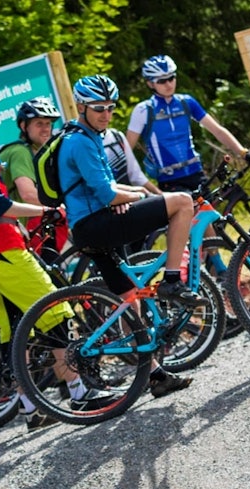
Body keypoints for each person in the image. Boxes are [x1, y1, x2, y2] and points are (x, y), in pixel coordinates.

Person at [0, 84, 116, 426]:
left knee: (14, 330)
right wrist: (48, 211)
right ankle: (78, 391)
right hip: (2, 246)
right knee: (55, 309)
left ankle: (29, 407)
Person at [59, 74, 196, 399]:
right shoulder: (80, 141)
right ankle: (173, 279)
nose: (106, 114)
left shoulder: (87, 135)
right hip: (96, 225)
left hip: (92, 226)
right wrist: (132, 197)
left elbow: (109, 189)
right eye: (98, 108)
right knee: (182, 202)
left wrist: (130, 195)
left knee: (129, 298)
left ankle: (156, 376)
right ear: (81, 106)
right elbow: (108, 195)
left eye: (110, 107)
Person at [126, 55, 250, 194]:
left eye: (171, 78)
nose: (169, 84)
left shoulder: (186, 102)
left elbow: (217, 130)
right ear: (150, 84)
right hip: (170, 181)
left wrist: (244, 153)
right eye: (162, 81)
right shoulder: (143, 110)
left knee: (213, 217)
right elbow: (127, 149)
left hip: (196, 174)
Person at [0, 98, 69, 259]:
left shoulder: (37, 152)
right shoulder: (20, 152)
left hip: (14, 231)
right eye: (39, 124)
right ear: (24, 126)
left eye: (48, 124)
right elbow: (28, 194)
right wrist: (63, 206)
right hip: (2, 235)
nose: (45, 129)